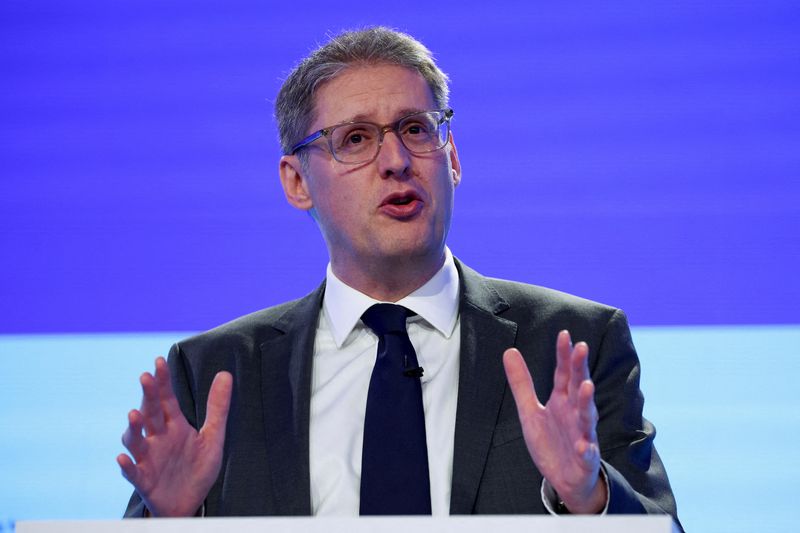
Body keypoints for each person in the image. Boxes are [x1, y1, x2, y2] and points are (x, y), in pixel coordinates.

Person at [118, 27, 682, 528]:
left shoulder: (572, 343)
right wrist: (170, 523)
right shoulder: (216, 373)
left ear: (452, 157)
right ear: (297, 182)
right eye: (356, 139)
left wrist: (589, 498)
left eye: (416, 128)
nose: (397, 160)